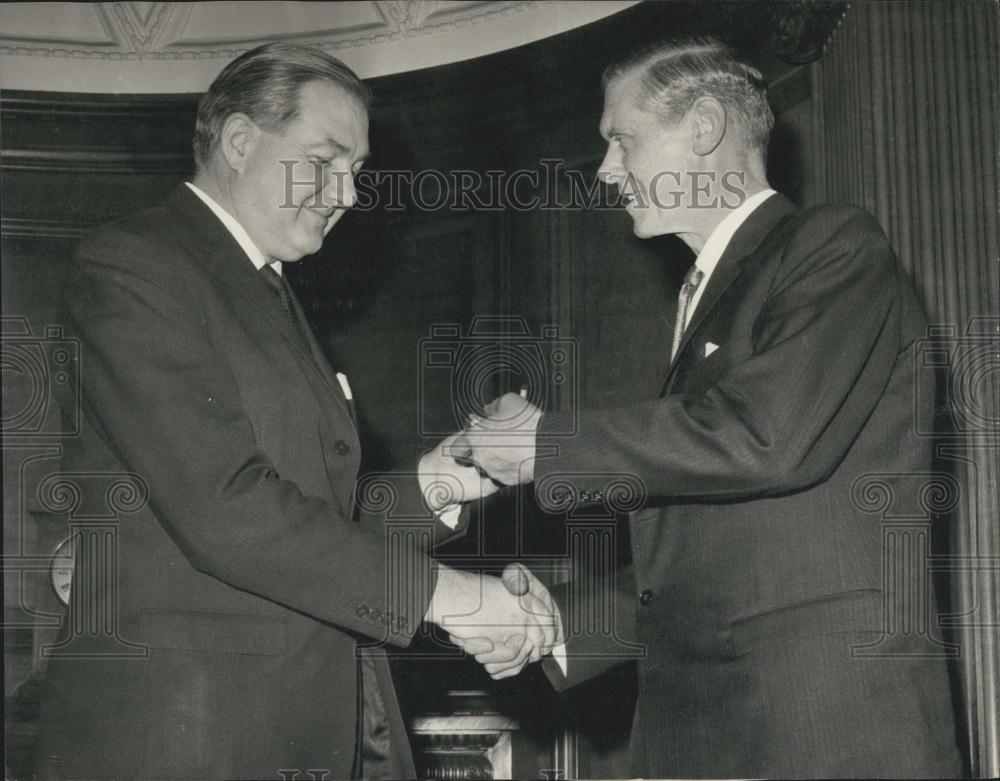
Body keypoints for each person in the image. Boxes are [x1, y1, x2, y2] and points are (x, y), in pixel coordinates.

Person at [34, 42, 556, 781]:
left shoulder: (270, 292)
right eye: (326, 160)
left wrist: (439, 481)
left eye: (357, 172)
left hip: (290, 733)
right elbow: (227, 510)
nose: (347, 193)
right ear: (241, 141)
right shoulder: (136, 265)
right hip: (184, 742)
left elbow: (313, 516)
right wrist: (451, 597)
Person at [456, 37, 964, 778]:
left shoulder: (832, 247)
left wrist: (546, 445)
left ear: (700, 129)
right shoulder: (706, 304)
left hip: (828, 735)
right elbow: (717, 565)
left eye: (620, 141)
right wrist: (561, 622)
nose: (604, 172)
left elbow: (767, 438)